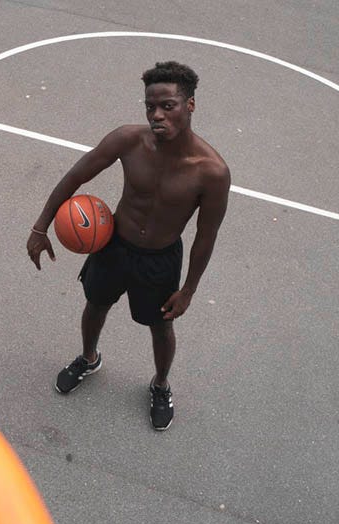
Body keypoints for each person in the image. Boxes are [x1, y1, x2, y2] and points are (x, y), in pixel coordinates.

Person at [26, 61, 230, 431]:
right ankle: (89, 358)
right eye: (150, 106)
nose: (156, 114)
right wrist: (41, 226)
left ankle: (160, 384)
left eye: (167, 105)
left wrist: (188, 290)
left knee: (161, 327)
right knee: (95, 305)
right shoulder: (128, 140)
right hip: (113, 246)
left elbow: (206, 234)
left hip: (160, 259)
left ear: (190, 105)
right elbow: (76, 175)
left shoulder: (211, 171)